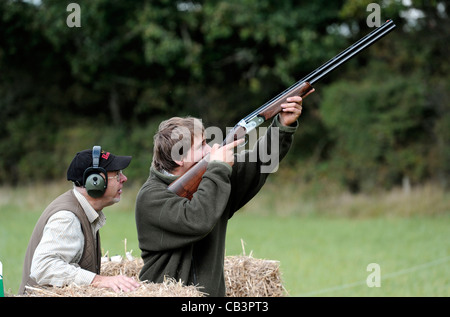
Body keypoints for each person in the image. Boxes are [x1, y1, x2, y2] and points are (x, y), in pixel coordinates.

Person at [135, 95, 308, 296]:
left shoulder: (210, 180)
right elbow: (197, 219)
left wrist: (282, 126)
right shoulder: (150, 198)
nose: (211, 149)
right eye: (202, 146)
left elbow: (260, 162)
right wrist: (218, 168)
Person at [19, 146, 140, 294]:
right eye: (117, 174)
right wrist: (99, 280)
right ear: (94, 181)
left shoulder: (82, 209)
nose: (124, 179)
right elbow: (43, 266)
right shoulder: (67, 218)